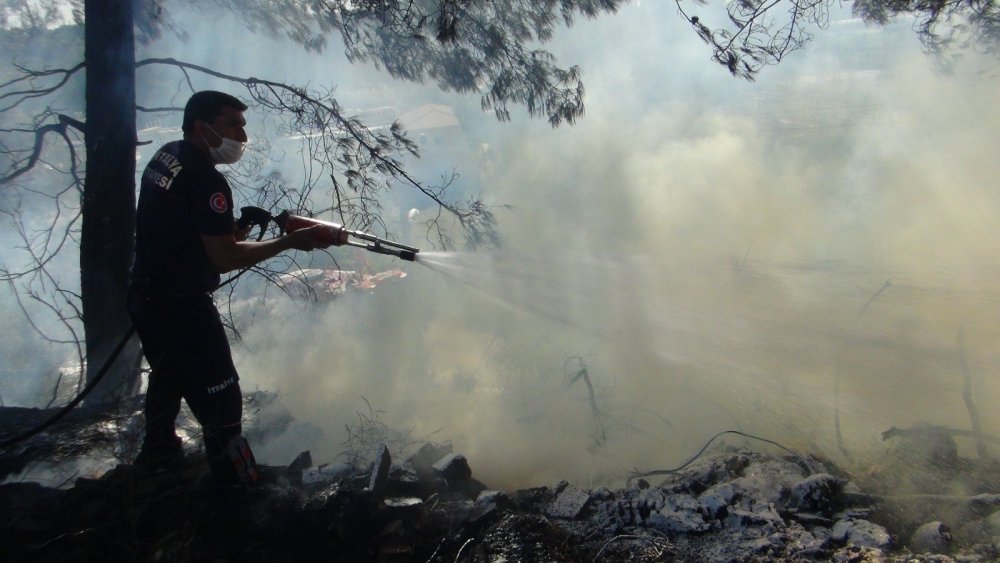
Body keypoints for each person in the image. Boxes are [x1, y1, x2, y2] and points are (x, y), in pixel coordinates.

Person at [127, 91, 346, 489]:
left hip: (146, 298)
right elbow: (224, 259)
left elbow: (183, 234)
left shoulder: (167, 156)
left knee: (168, 377)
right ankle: (238, 488)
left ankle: (158, 457)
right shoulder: (207, 180)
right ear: (201, 126)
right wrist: (289, 243)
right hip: (183, 309)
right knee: (223, 401)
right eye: (233, 125)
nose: (242, 137)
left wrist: (233, 231)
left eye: (243, 126)